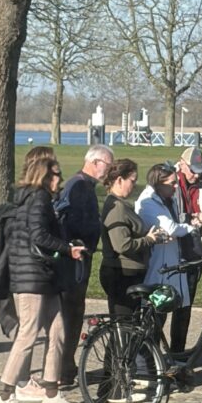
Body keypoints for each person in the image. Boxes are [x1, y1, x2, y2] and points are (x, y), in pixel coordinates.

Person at [0, 146, 86, 403]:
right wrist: (67, 248)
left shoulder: (35, 199)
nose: (60, 179)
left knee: (58, 330)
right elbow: (38, 236)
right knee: (28, 333)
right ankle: (6, 396)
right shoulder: (38, 198)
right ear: (44, 176)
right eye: (56, 174)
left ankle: (51, 393)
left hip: (44, 276)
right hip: (31, 277)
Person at [136, 162, 202, 355]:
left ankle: (171, 356)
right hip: (157, 268)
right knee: (155, 318)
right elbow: (171, 228)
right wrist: (192, 227)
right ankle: (144, 365)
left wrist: (193, 218)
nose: (175, 187)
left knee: (172, 310)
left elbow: (176, 224)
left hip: (172, 264)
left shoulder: (167, 199)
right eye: (171, 184)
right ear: (157, 183)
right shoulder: (148, 201)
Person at [55, 143, 114, 387]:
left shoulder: (85, 186)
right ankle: (62, 369)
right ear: (94, 162)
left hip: (79, 259)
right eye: (108, 166)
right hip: (73, 262)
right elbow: (71, 222)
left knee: (74, 312)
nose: (109, 172)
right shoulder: (78, 186)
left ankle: (66, 366)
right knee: (70, 314)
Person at [99, 158, 164, 319]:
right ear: (119, 180)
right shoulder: (117, 208)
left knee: (128, 326)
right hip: (122, 274)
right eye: (132, 181)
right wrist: (149, 239)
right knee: (125, 325)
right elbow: (122, 245)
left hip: (130, 273)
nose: (134, 185)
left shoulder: (122, 205)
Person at [174, 147, 202, 312]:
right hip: (171, 249)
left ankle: (180, 339)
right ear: (182, 164)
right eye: (193, 171)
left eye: (200, 171)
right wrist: (193, 217)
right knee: (163, 304)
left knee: (186, 304)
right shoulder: (170, 182)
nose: (197, 175)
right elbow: (167, 216)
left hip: (195, 250)